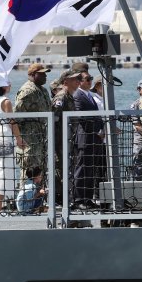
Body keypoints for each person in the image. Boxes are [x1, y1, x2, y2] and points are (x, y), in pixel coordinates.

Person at [0, 82, 23, 213]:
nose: (10, 85)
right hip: (6, 139)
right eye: (8, 83)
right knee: (6, 172)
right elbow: (11, 121)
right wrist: (19, 138)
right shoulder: (6, 102)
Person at [14, 63, 52, 184]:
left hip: (41, 139)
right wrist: (19, 138)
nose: (45, 76)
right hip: (29, 141)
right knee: (28, 173)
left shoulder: (43, 90)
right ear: (32, 75)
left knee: (41, 172)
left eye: (45, 74)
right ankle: (25, 200)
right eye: (41, 74)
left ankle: (39, 200)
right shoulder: (27, 91)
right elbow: (16, 117)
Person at [71, 70, 105, 208]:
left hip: (96, 139)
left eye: (91, 78)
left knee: (91, 170)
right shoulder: (78, 96)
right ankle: (78, 200)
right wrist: (97, 130)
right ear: (80, 81)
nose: (90, 81)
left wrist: (102, 129)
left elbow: (97, 116)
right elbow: (82, 117)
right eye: (87, 79)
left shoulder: (90, 95)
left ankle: (88, 198)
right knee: (82, 170)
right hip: (85, 139)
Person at [52, 70, 81, 206]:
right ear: (65, 82)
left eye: (79, 78)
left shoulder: (70, 97)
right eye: (75, 79)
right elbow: (54, 120)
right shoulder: (61, 97)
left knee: (68, 170)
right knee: (61, 171)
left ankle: (67, 199)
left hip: (68, 141)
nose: (78, 81)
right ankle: (62, 200)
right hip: (60, 143)